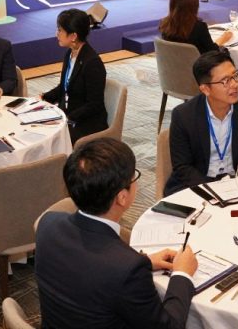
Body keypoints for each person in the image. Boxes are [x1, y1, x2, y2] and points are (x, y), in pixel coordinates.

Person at [36, 138, 198, 329]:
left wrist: (146, 261)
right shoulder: (127, 269)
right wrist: (182, 274)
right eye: (134, 177)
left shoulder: (47, 224)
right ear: (122, 197)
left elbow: (90, 269)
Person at [164, 51, 238, 196]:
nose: (234, 84)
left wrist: (237, 182)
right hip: (198, 185)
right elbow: (183, 167)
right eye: (225, 81)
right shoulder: (183, 115)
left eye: (235, 76)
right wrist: (214, 190)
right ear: (205, 89)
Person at [41, 9, 108, 142]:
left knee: (50, 138)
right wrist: (44, 97)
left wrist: (66, 117)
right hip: (69, 115)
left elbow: (94, 104)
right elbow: (64, 87)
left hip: (87, 123)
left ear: (73, 36)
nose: (57, 34)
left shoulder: (92, 63)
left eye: (60, 30)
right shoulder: (70, 54)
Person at [159, 0, 232, 53]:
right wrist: (222, 39)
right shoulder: (199, 28)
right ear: (194, 2)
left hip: (171, 64)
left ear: (173, 1)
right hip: (197, 64)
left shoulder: (165, 25)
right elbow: (212, 52)